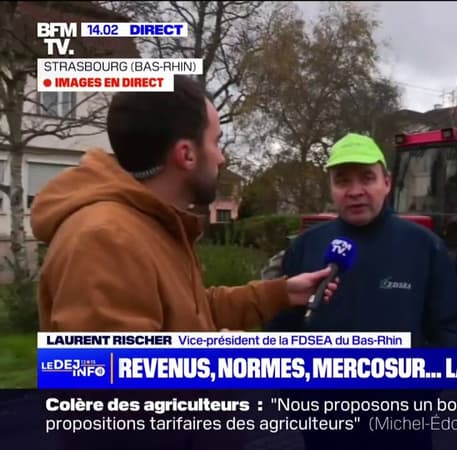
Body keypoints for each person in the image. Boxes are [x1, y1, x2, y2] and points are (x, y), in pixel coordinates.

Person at [31, 75, 338, 333]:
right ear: (186, 155)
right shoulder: (104, 240)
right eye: (216, 142)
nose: (222, 157)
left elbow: (191, 311)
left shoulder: (150, 222)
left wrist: (282, 293)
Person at [266, 132, 457, 450]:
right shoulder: (308, 246)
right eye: (342, 181)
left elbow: (453, 330)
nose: (355, 191)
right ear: (332, 189)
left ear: (386, 183)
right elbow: (280, 328)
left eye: (367, 178)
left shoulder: (423, 246)